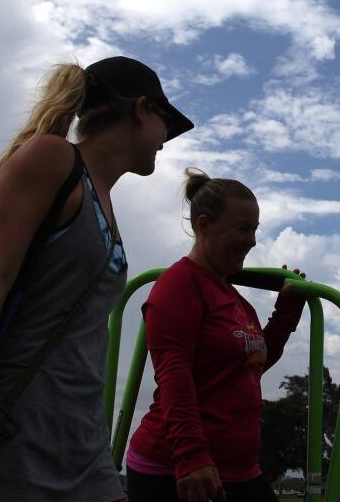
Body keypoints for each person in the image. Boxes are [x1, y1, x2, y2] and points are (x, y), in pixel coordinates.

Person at [0, 56, 194, 502]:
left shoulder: (103, 199)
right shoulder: (53, 158)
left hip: (79, 438)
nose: (167, 140)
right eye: (165, 122)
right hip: (12, 432)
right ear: (141, 109)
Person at [125, 170, 306, 502]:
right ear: (204, 225)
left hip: (239, 468)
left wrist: (286, 314)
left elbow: (250, 365)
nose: (251, 240)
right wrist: (190, 456)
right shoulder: (179, 284)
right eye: (242, 229)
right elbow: (173, 375)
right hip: (176, 468)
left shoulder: (236, 299)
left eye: (254, 230)